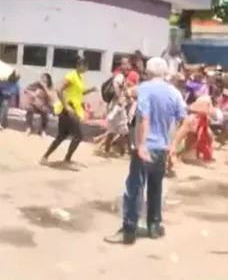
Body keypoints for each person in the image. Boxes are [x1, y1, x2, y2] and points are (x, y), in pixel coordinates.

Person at [104, 57, 186, 245]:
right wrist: (173, 147)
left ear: (148, 73)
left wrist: (141, 146)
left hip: (146, 147)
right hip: (162, 148)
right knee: (156, 188)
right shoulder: (174, 93)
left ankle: (129, 230)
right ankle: (154, 227)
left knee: (134, 188)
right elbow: (186, 120)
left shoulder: (145, 88)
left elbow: (145, 118)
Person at [40, 58, 96, 165]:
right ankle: (66, 159)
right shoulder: (72, 76)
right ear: (80, 66)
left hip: (72, 109)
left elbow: (80, 92)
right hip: (68, 109)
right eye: (85, 66)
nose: (86, 69)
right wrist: (66, 106)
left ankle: (45, 157)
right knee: (78, 135)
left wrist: (91, 90)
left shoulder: (80, 77)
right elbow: (59, 89)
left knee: (62, 136)